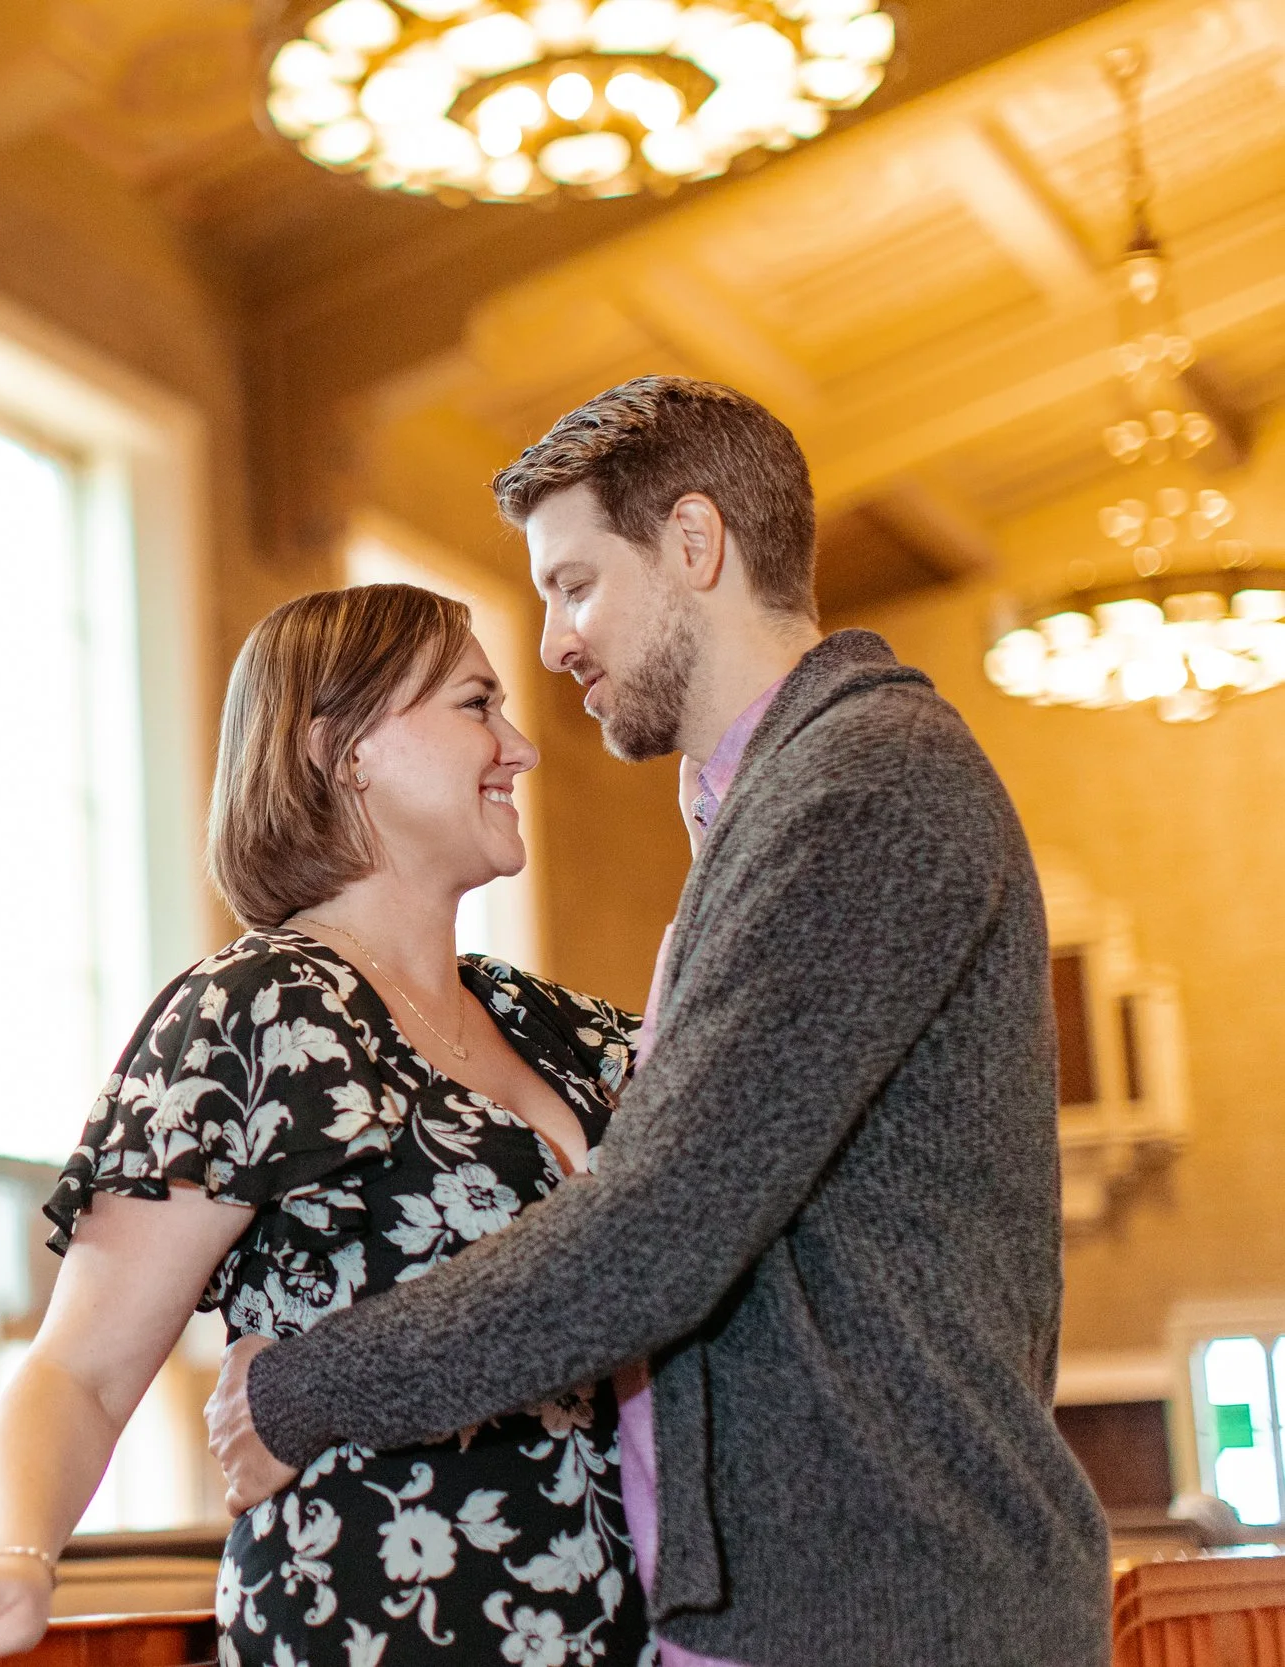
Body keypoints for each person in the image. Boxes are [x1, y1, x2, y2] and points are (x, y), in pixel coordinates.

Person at [205, 378, 1112, 1666]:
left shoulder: (867, 786)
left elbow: (659, 1226)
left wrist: (303, 1388)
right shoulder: (771, 801)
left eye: (574, 585)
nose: (556, 644)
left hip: (894, 1608)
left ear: (695, 545)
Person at [0, 583, 652, 1667]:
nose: (518, 747)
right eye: (475, 704)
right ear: (342, 746)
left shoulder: (559, 1026)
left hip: (630, 1632)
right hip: (374, 1624)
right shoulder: (256, 1009)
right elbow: (78, 1368)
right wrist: (15, 1557)